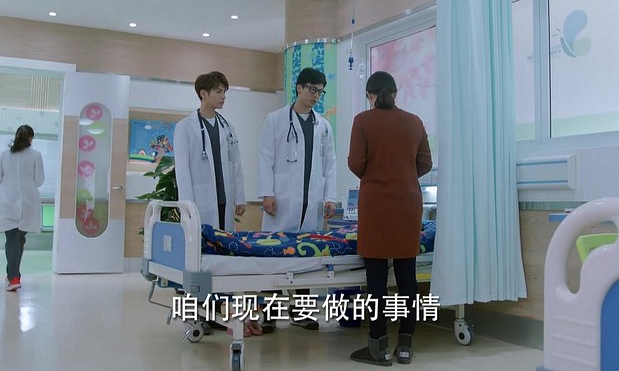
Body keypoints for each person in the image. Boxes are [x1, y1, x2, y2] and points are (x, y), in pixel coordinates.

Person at [347, 71, 432, 366]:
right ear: (395, 93)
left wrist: (379, 174)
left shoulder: (363, 121)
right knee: (408, 278)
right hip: (408, 205)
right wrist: (403, 175)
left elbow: (356, 164)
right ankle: (406, 344)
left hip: (376, 206)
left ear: (369, 95)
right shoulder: (414, 122)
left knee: (376, 280)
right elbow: (425, 163)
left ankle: (378, 346)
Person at [173, 71, 259, 335]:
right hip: (199, 204)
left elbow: (236, 165)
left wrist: (239, 197)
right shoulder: (185, 127)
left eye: (224, 92)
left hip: (224, 202)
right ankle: (196, 315)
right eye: (219, 92)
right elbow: (182, 170)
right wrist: (188, 207)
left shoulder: (227, 127)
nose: (223, 97)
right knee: (198, 260)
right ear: (203, 94)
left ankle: (219, 313)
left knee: (222, 259)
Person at [258, 67, 337, 330]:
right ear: (299, 88)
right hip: (281, 200)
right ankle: (269, 314)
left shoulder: (323, 126)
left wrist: (329, 197)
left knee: (304, 256)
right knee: (274, 256)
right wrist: (267, 192)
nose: (316, 96)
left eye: (320, 92)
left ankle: (301, 313)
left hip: (311, 201)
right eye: (312, 89)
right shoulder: (275, 120)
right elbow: (265, 158)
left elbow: (330, 164)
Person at [0, 125, 46, 292]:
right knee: (18, 238)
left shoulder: (3, 154)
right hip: (28, 201)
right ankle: (13, 275)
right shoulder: (36, 155)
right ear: (31, 138)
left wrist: (8, 182)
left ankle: (13, 276)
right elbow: (39, 180)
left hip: (6, 199)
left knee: (14, 238)